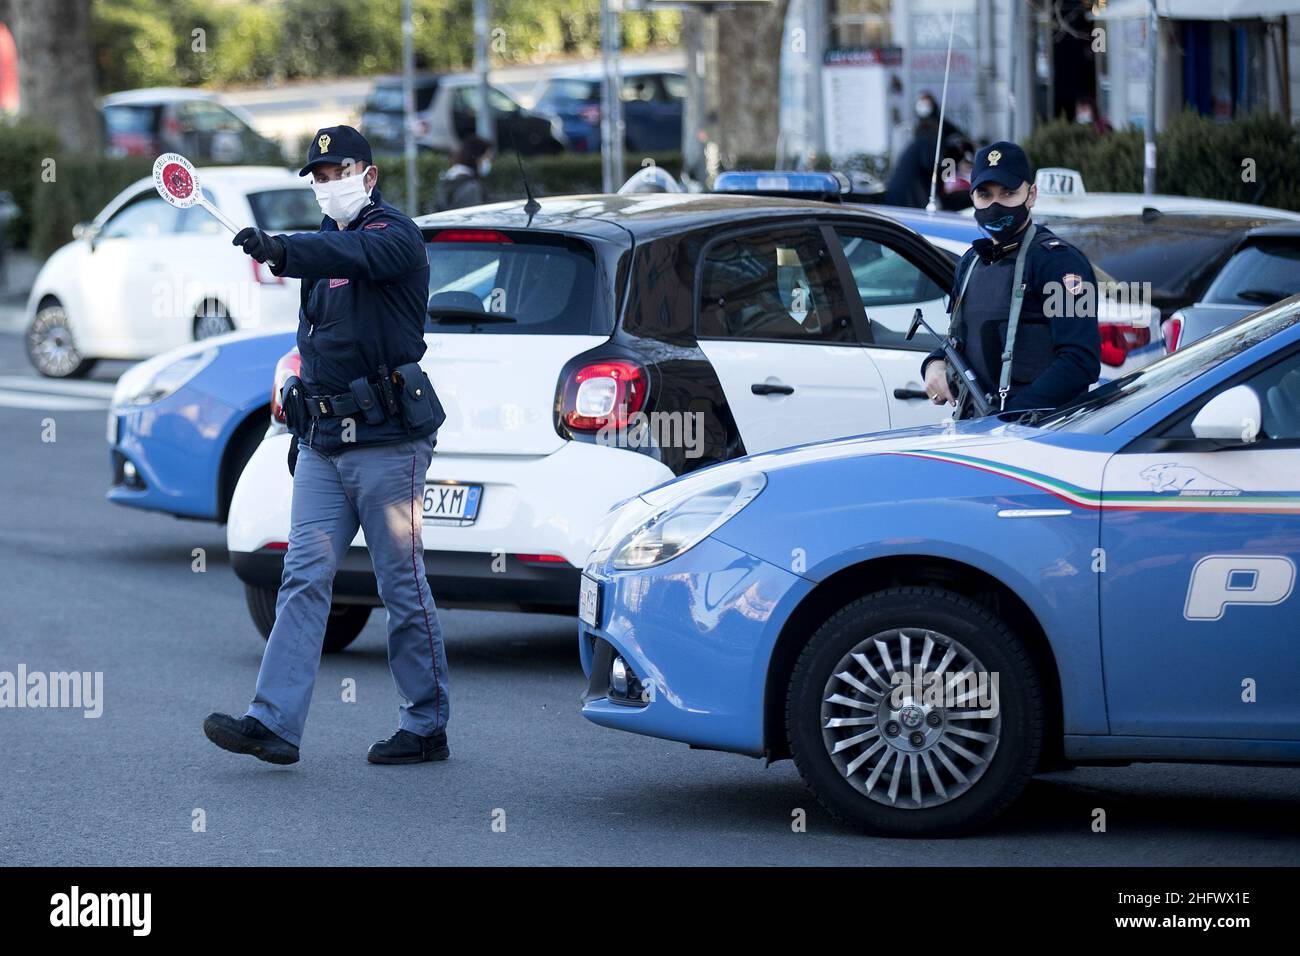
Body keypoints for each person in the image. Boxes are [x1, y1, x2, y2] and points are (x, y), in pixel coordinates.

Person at [204, 125, 451, 766]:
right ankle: (273, 722)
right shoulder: (323, 255)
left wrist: (283, 248)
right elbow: (317, 342)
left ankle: (425, 726)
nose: (325, 185)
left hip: (388, 443)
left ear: (367, 176)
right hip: (323, 443)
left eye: (336, 172)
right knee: (303, 579)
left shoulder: (395, 236)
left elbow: (352, 258)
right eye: (316, 176)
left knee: (401, 582)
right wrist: (296, 395)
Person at [922, 140, 1101, 418]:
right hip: (980, 429)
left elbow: (1080, 362)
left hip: (1043, 432)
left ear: (1031, 195)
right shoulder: (971, 261)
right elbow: (963, 338)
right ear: (972, 198)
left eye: (1008, 193)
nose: (996, 204)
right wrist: (934, 363)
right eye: (985, 194)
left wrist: (1012, 418)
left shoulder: (1059, 262)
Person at [884, 91, 971, 209]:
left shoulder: (932, 132)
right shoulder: (929, 138)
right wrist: (954, 164)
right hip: (912, 202)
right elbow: (937, 165)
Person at [435, 135, 493, 211]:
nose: (488, 162)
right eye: (486, 158)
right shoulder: (470, 187)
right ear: (476, 157)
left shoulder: (450, 177)